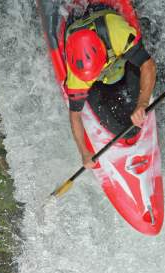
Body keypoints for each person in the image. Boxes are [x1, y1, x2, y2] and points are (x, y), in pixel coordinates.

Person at [64, 6, 156, 169]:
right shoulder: (76, 75)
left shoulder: (115, 33)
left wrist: (142, 103)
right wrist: (83, 151)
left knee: (135, 121)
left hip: (123, 63)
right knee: (125, 128)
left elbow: (147, 65)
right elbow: (75, 115)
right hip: (101, 84)